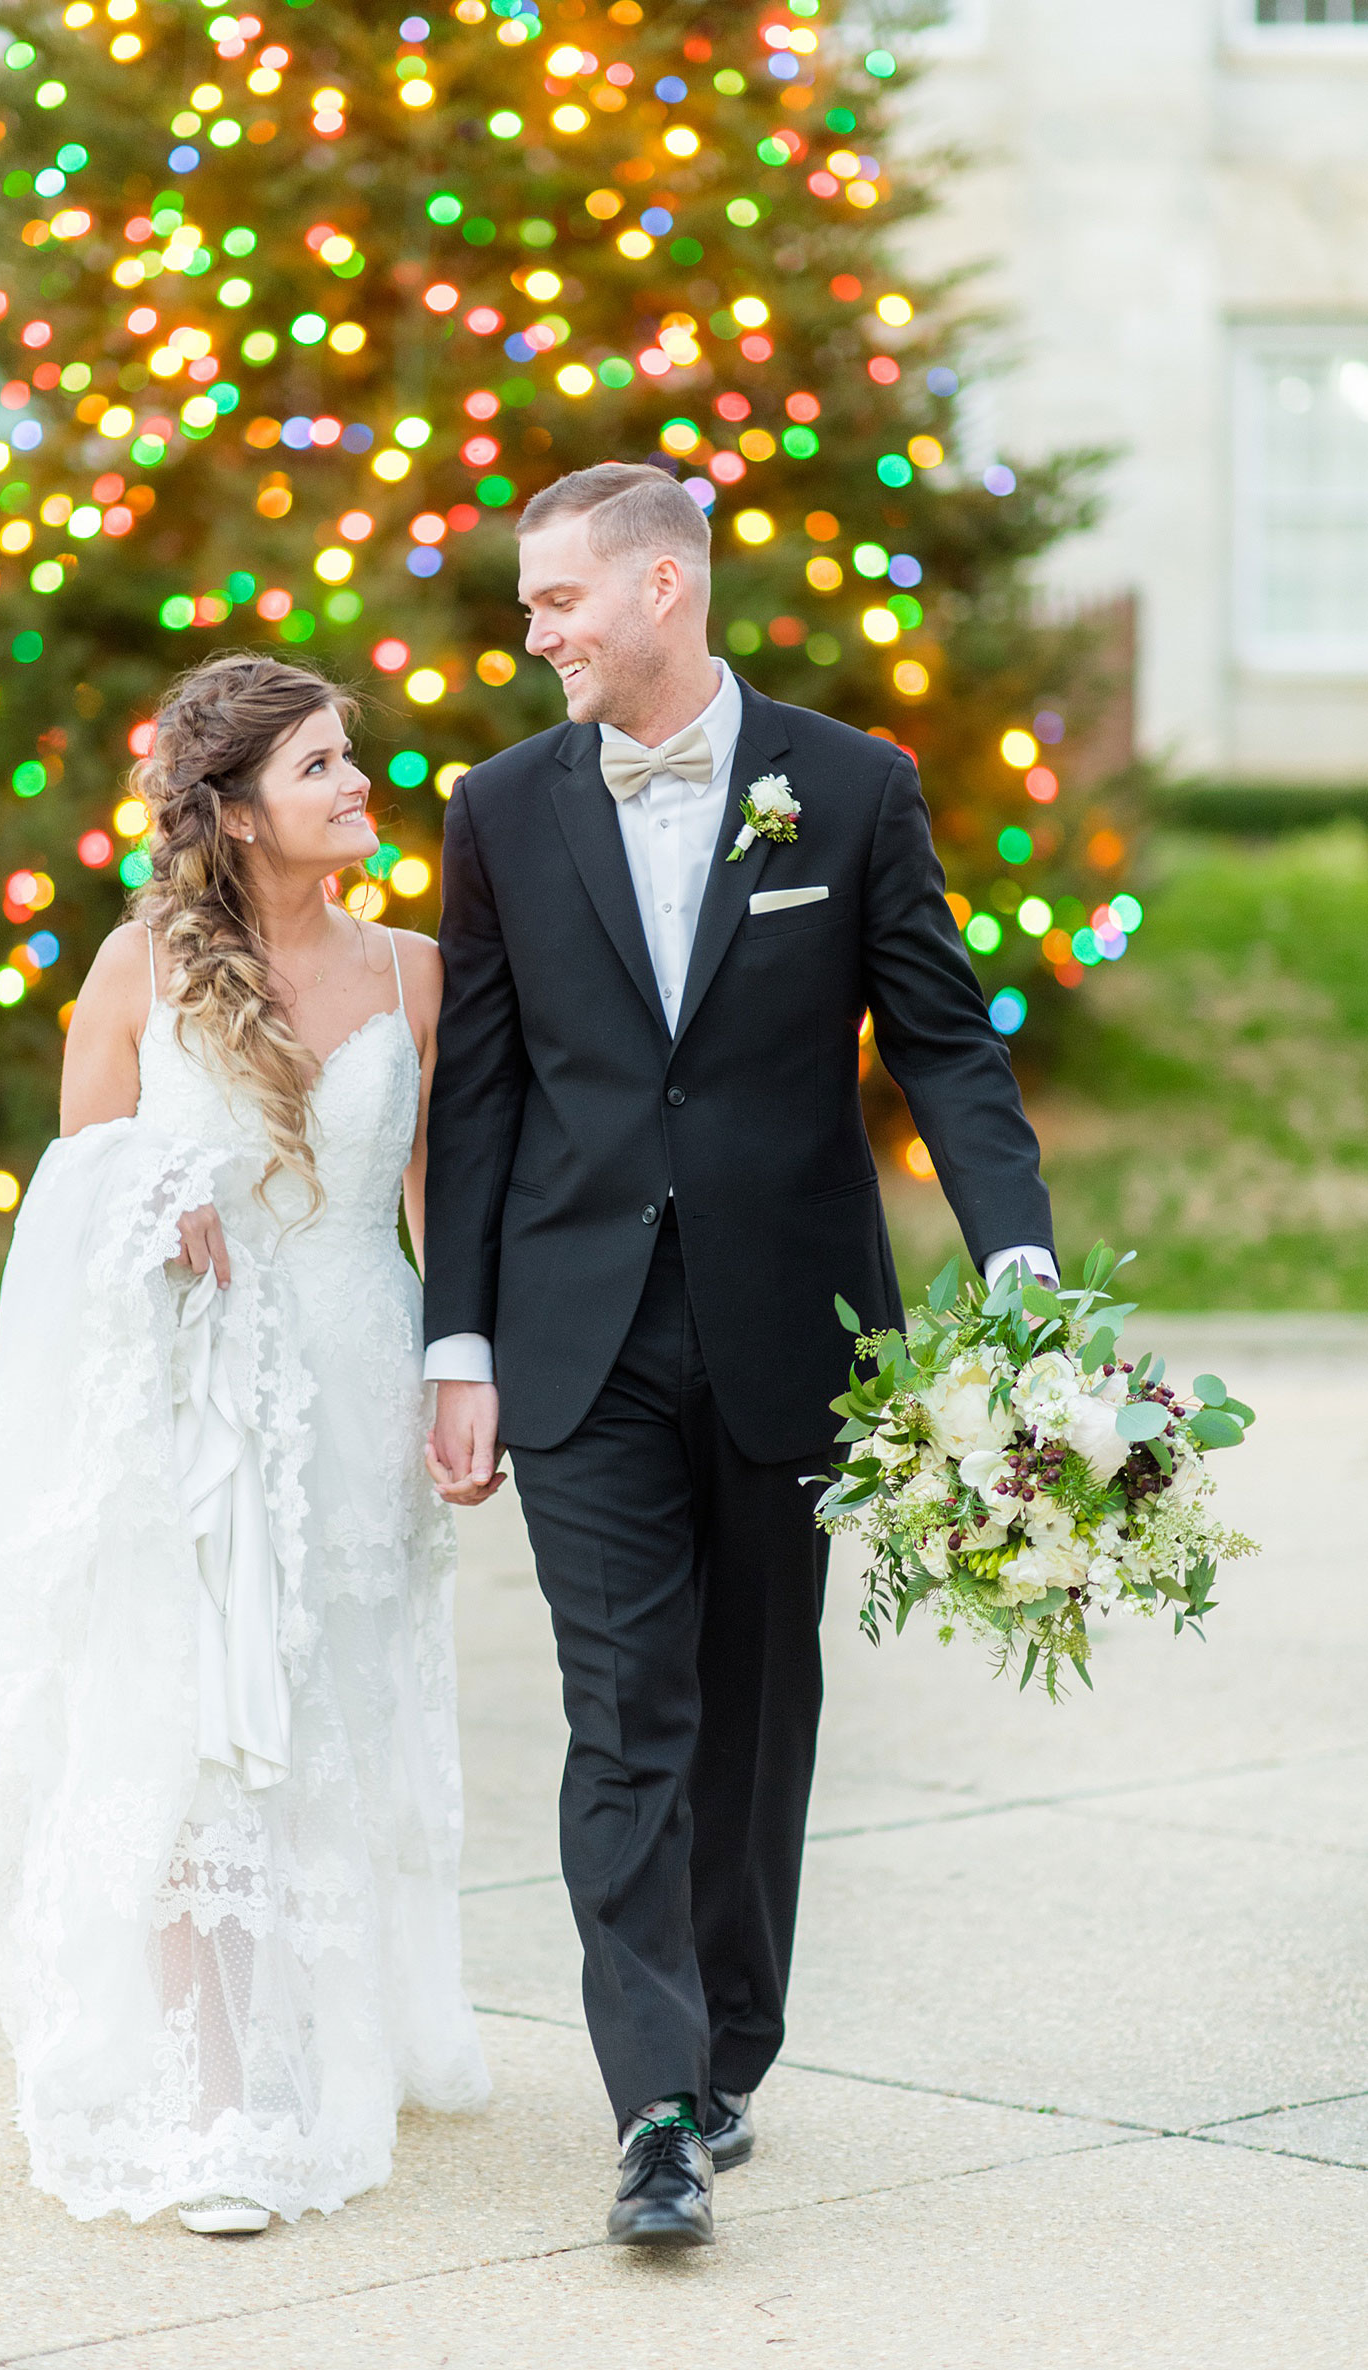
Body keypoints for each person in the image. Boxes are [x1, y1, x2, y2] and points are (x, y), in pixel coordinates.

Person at [422, 463, 1055, 2249]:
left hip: (795, 1330)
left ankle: (733, 2046)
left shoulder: (850, 787)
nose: (532, 629)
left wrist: (1017, 1263)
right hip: (576, 1331)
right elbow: (477, 1092)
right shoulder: (500, 808)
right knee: (625, 1711)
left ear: (662, 589)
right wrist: (454, 1334)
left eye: (559, 599)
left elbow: (943, 1039)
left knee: (759, 1705)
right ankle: (655, 2108)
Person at [0, 655, 488, 2235]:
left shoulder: (415, 972)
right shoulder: (144, 968)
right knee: (205, 1714)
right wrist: (150, 1191)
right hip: (194, 1397)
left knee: (331, 1691)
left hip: (356, 1371)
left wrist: (463, 1369)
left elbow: (437, 1202)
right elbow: (70, 1194)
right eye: (323, 765)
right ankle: (220, 2095)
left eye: (351, 758)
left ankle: (336, 2012)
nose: (358, 784)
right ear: (240, 807)